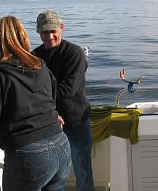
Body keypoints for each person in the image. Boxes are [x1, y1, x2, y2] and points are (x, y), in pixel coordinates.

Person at [0, 16, 71, 191]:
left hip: (29, 156)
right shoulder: (41, 66)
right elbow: (51, 102)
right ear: (24, 37)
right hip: (61, 146)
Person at [33, 10, 95, 191]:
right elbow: (29, 91)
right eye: (45, 32)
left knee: (82, 168)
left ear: (62, 28)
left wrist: (46, 107)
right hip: (46, 124)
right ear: (38, 32)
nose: (50, 36)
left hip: (76, 121)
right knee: (49, 171)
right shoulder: (34, 57)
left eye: (53, 31)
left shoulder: (74, 53)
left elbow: (68, 89)